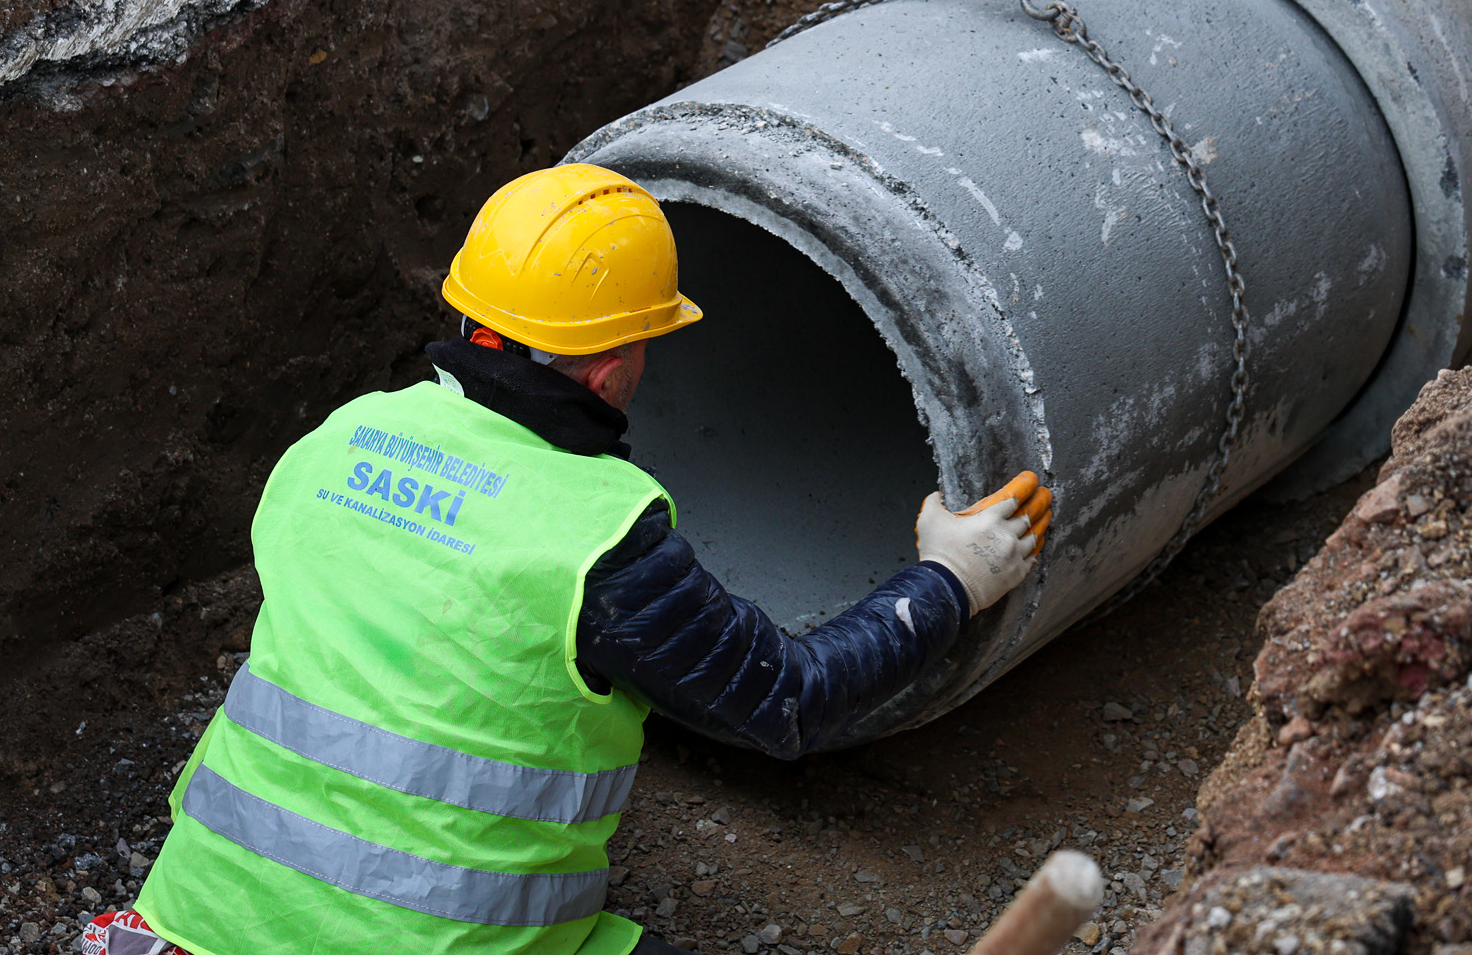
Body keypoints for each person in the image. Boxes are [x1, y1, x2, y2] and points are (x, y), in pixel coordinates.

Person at [99, 164, 1052, 955]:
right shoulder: (595, 541)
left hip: (199, 922)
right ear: (611, 372)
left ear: (475, 313)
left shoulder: (341, 439)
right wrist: (949, 581)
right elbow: (787, 697)